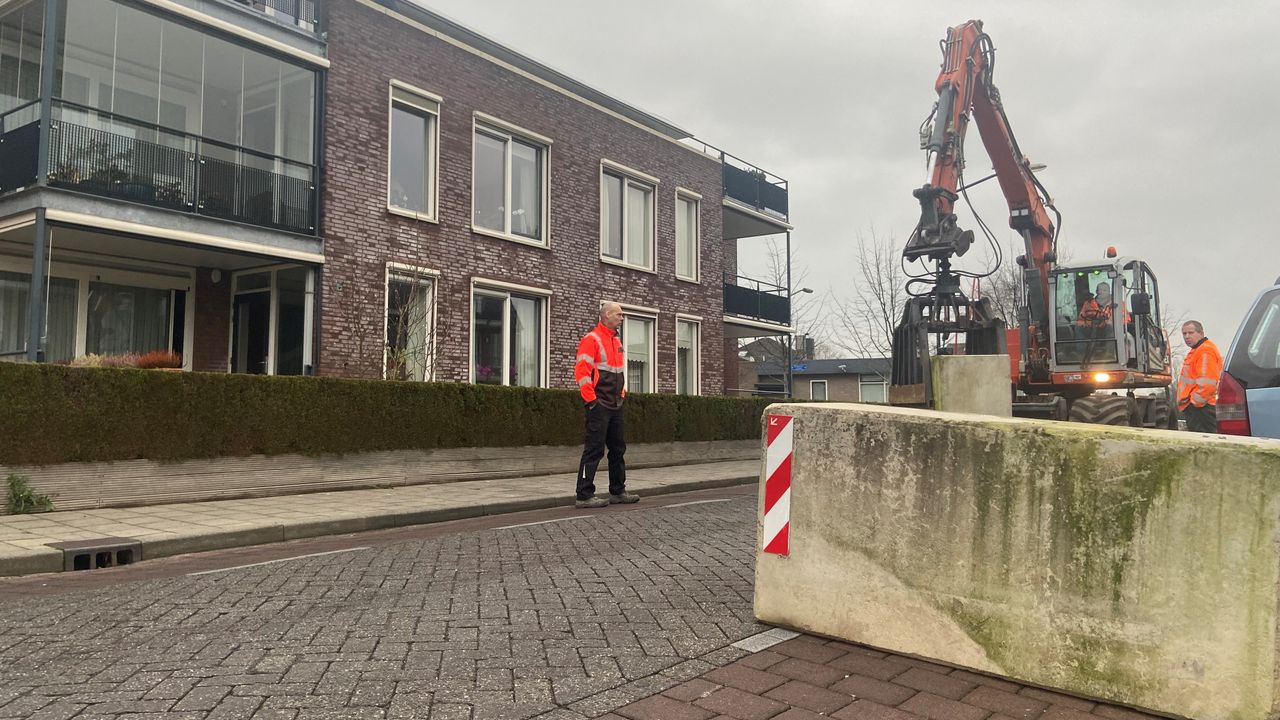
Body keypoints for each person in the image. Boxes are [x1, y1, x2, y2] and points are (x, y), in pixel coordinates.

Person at [573, 302, 639, 508]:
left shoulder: (616, 340)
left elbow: (618, 371)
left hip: (616, 403)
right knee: (594, 450)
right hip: (599, 404)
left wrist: (622, 394)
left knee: (618, 449)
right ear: (607, 315)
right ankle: (584, 495)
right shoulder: (591, 339)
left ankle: (618, 491)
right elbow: (582, 373)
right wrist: (592, 401)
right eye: (619, 314)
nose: (622, 318)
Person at [1178, 320, 1223, 433]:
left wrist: (1194, 403)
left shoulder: (1205, 351)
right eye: (1184, 333)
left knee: (1204, 440)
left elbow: (1207, 384)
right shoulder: (1198, 350)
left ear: (1201, 333)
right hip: (1199, 408)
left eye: (1191, 333)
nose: (1187, 336)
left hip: (1202, 409)